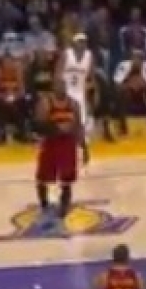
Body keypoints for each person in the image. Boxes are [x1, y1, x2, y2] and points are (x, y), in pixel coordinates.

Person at [35, 82, 81, 221]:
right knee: (43, 176)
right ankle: (43, 202)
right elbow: (38, 125)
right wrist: (56, 129)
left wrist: (83, 146)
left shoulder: (74, 104)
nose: (61, 88)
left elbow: (78, 125)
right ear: (53, 88)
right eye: (58, 86)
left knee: (67, 176)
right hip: (51, 142)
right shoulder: (45, 103)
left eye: (63, 86)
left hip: (68, 143)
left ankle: (64, 204)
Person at [59, 33, 94, 164]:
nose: (82, 43)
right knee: (64, 122)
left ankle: (84, 149)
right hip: (66, 93)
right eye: (79, 41)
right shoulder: (66, 55)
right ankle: (65, 152)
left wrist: (89, 91)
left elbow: (91, 78)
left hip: (80, 94)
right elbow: (58, 75)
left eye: (84, 41)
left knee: (81, 124)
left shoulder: (89, 56)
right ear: (74, 43)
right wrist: (60, 93)